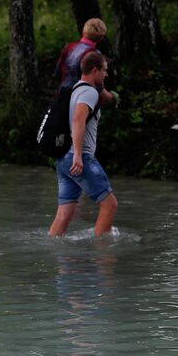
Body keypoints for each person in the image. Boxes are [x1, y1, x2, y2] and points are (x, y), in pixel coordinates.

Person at [49, 52, 118, 237]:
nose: (106, 74)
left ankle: (58, 258)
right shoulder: (88, 92)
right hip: (78, 158)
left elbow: (109, 99)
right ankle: (102, 257)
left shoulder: (76, 88)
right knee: (109, 205)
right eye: (104, 70)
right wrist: (79, 155)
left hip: (64, 159)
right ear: (95, 70)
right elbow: (78, 120)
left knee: (64, 213)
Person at [54, 18, 116, 107]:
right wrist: (112, 99)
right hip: (81, 100)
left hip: (62, 97)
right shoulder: (95, 55)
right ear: (101, 38)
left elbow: (57, 73)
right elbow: (98, 85)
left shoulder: (69, 48)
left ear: (84, 32)